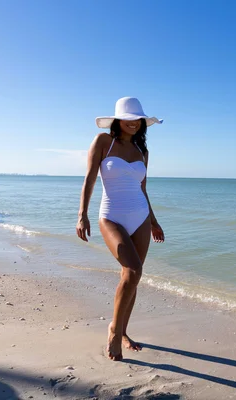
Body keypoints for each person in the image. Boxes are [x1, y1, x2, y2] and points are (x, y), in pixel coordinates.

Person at [76, 97, 165, 361]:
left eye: (137, 119)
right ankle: (114, 331)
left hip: (140, 215)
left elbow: (143, 189)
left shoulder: (142, 152)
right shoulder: (104, 141)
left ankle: (123, 331)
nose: (133, 123)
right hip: (111, 216)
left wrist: (153, 221)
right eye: (128, 118)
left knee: (133, 278)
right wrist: (82, 215)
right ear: (117, 120)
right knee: (132, 269)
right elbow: (90, 179)